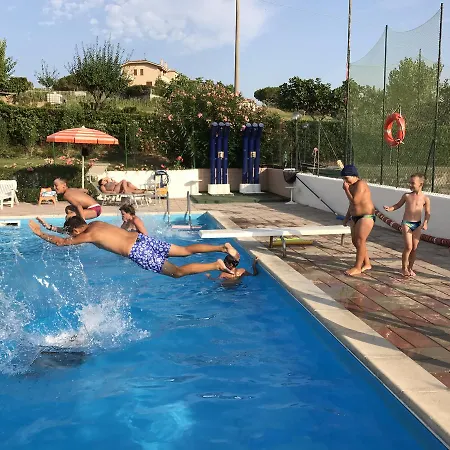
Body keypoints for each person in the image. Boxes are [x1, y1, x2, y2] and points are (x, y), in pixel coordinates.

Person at [28, 216, 239, 278]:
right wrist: (53, 228)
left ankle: (216, 265)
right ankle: (222, 247)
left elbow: (62, 242)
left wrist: (40, 233)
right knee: (185, 251)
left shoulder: (89, 235)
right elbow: (70, 233)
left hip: (137, 251)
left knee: (177, 273)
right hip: (142, 240)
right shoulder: (96, 224)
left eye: (73, 233)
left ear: (76, 230)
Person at [383, 173, 431, 277]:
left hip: (417, 224)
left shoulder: (425, 198)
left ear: (421, 184)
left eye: (413, 183)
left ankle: (410, 268)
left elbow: (427, 212)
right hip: (406, 223)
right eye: (410, 183)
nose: (410, 185)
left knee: (414, 248)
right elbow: (397, 205)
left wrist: (425, 222)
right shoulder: (407, 196)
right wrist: (390, 208)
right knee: (408, 247)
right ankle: (404, 268)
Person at [341, 165, 376, 276]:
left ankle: (357, 267)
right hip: (355, 217)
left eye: (347, 178)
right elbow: (351, 205)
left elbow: (355, 201)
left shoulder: (361, 184)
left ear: (354, 176)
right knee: (356, 242)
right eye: (343, 179)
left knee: (360, 241)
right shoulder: (351, 186)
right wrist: (346, 218)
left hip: (366, 216)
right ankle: (367, 264)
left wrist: (346, 190)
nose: (345, 181)